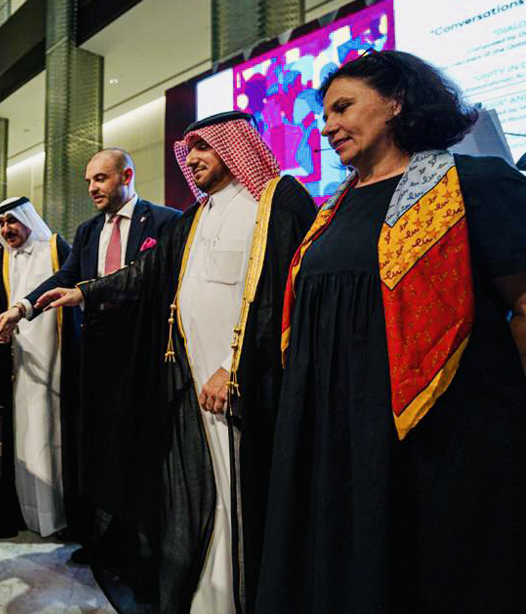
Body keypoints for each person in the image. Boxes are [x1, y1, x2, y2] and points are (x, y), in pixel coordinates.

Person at [256, 50, 526, 613]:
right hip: (337, 437)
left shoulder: (471, 183)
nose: (327, 126)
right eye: (323, 115)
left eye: (343, 107)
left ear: (397, 101)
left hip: (440, 439)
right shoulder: (330, 212)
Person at [33, 114, 316, 612]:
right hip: (191, 381)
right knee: (208, 491)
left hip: (245, 382)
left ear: (237, 148)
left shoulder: (277, 201)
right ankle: (213, 593)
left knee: (246, 492)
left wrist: (234, 368)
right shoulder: (195, 217)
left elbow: (281, 295)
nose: (194, 158)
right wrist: (84, 292)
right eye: (189, 150)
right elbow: (146, 273)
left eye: (205, 146)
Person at [0, 148, 180, 563]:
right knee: (98, 452)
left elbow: (146, 278)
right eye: (89, 180)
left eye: (101, 179)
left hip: (142, 358)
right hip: (95, 359)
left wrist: (85, 293)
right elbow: (65, 277)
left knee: (138, 454)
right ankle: (102, 541)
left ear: (126, 175)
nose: (93, 187)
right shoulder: (90, 229)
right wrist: (21, 309)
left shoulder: (166, 221)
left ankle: (143, 551)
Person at [0, 197, 77, 539]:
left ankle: (59, 514)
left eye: (12, 222)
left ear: (28, 220)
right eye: (1, 224)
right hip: (15, 362)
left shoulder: (55, 248)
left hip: (56, 357)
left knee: (52, 430)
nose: (7, 230)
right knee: (21, 430)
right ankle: (23, 510)